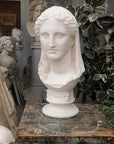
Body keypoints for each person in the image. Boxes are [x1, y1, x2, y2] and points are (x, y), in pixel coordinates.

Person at [35, 6, 85, 89]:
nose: (51, 44)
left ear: (72, 39)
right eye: (45, 35)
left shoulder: (74, 74)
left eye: (59, 35)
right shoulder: (44, 74)